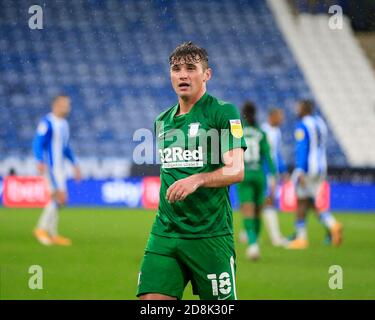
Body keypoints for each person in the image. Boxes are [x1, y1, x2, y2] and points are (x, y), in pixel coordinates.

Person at [136, 42, 246, 300]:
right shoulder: (161, 121)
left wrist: (198, 179)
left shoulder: (223, 112)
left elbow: (236, 170)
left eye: (190, 68)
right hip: (165, 233)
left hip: (209, 236)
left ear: (207, 74)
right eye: (176, 69)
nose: (182, 74)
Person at [287, 99, 343, 249]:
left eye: (299, 107)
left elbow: (302, 148)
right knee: (310, 201)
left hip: (307, 169)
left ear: (304, 108)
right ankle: (332, 224)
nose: (297, 109)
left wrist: (299, 170)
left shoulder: (303, 125)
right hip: (321, 167)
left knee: (300, 202)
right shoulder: (320, 122)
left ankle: (302, 238)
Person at [33, 95, 81, 246]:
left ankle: (52, 234)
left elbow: (65, 147)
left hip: (60, 168)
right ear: (55, 105)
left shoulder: (64, 124)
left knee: (60, 200)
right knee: (58, 198)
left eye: (68, 105)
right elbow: (38, 142)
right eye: (63, 105)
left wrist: (75, 163)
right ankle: (41, 229)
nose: (66, 108)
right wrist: (39, 159)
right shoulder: (47, 122)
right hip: (51, 166)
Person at [237, 101, 276, 261]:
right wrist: (273, 176)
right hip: (259, 175)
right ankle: (255, 241)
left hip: (244, 174)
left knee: (247, 210)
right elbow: (268, 156)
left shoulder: (238, 131)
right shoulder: (261, 132)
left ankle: (252, 244)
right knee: (259, 210)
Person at [261, 108, 288, 247]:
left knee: (262, 203)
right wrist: (269, 173)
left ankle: (246, 234)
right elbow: (265, 155)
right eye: (279, 116)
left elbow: (277, 153)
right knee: (269, 202)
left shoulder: (277, 132)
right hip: (265, 172)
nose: (282, 120)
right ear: (272, 117)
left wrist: (282, 170)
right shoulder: (263, 131)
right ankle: (276, 238)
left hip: (272, 172)